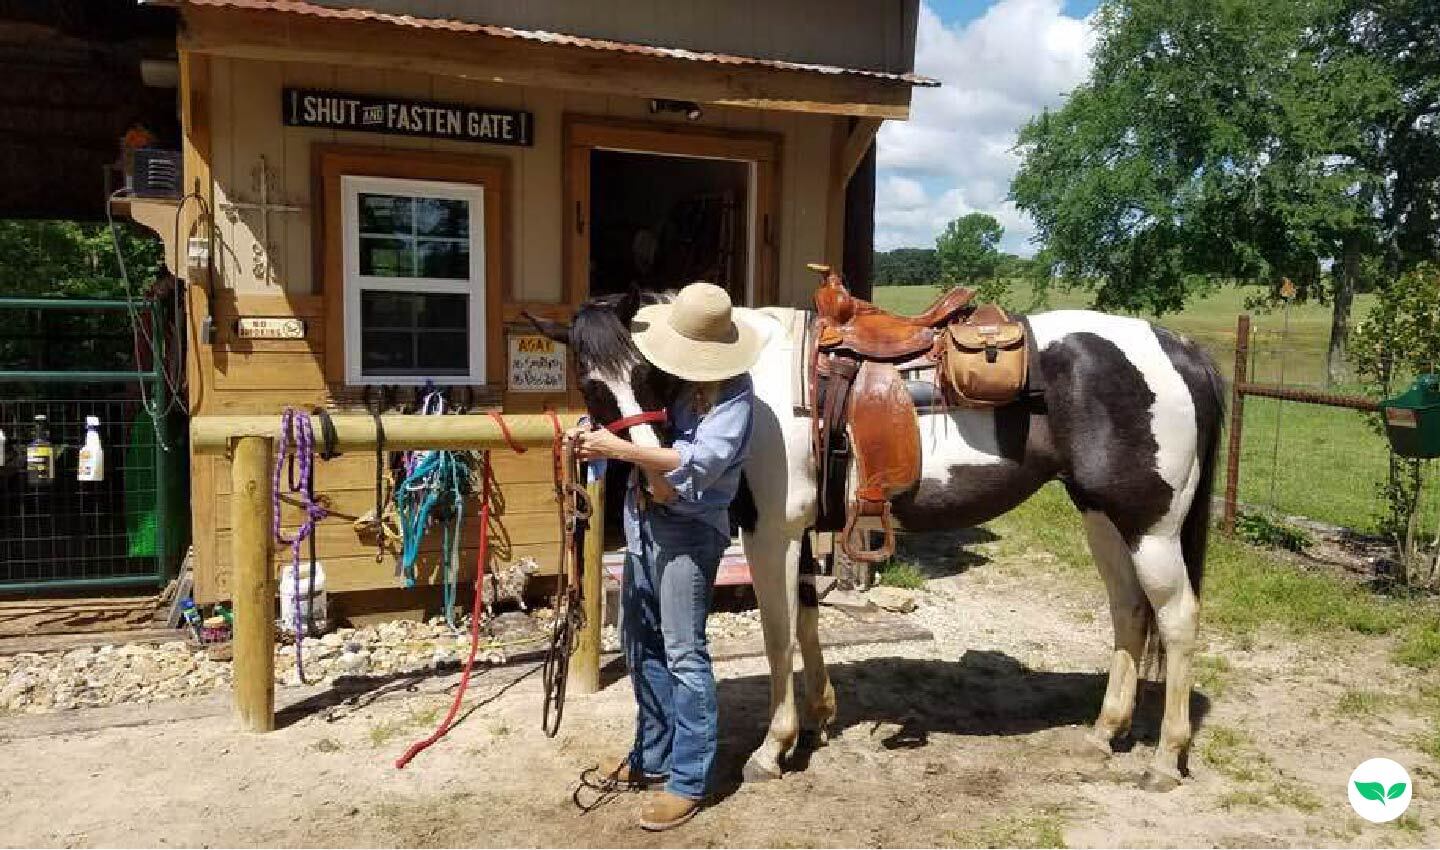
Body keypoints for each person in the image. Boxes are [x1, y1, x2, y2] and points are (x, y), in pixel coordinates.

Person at [569, 282, 761, 831]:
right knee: (641, 644)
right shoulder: (670, 377)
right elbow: (632, 411)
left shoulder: (735, 395)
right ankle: (650, 756)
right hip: (641, 521)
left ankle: (688, 779)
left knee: (683, 653)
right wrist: (599, 429)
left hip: (688, 533)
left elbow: (692, 467)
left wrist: (617, 448)